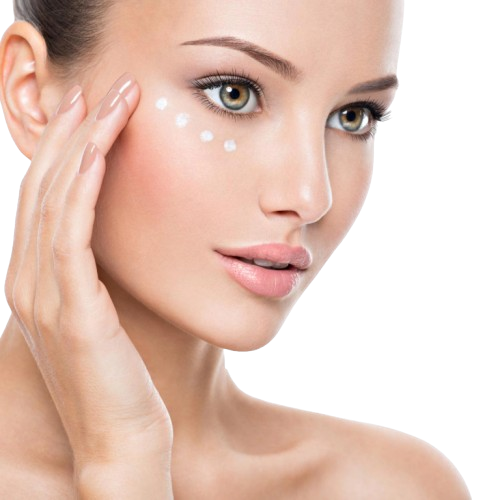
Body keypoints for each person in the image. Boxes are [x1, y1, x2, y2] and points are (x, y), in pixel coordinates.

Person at [0, 0, 471, 497]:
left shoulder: (392, 489)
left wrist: (126, 465)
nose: (311, 197)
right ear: (31, 93)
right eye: (234, 94)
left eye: (353, 116)